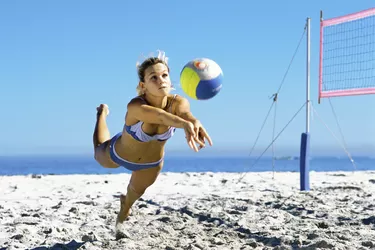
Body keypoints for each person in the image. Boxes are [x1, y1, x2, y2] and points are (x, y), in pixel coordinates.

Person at [92, 50, 213, 235]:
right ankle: (101, 114)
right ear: (143, 85)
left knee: (132, 198)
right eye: (153, 77)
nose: (161, 80)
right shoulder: (135, 105)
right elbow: (159, 116)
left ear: (171, 80)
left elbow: (186, 114)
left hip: (151, 165)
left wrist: (193, 121)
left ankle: (124, 208)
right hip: (119, 153)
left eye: (164, 75)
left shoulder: (178, 102)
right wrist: (184, 124)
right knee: (99, 151)